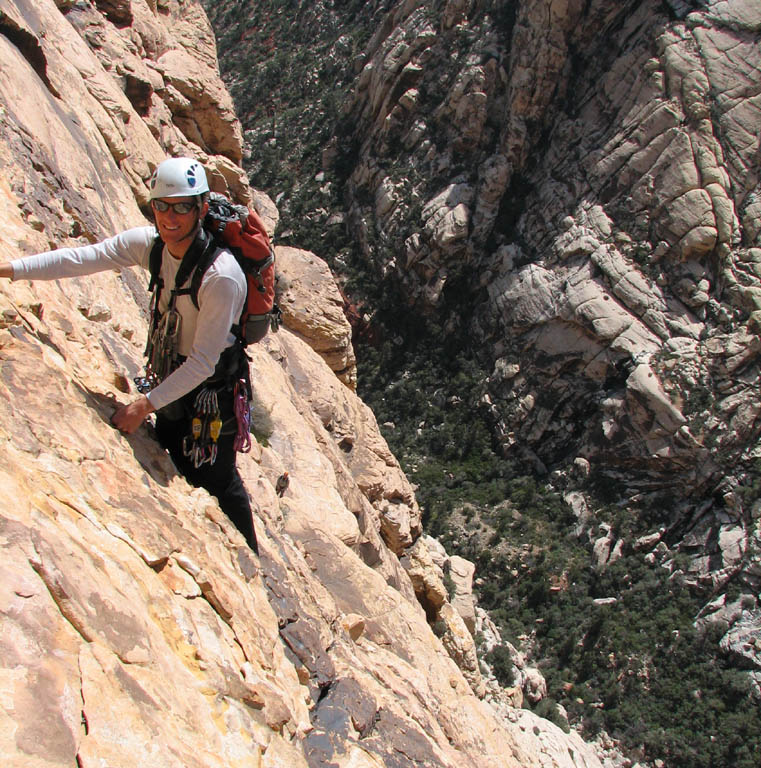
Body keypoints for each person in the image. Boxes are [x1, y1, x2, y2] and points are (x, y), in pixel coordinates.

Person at [0, 157, 258, 554]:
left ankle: (249, 558)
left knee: (218, 477)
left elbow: (204, 362)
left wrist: (142, 405)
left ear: (201, 208)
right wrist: (10, 270)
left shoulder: (219, 276)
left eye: (182, 207)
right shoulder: (150, 246)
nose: (169, 217)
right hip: (174, 374)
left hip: (212, 390)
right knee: (175, 452)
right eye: (162, 206)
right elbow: (81, 259)